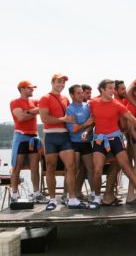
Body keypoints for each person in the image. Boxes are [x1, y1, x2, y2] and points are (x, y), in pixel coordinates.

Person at [89, 79, 136, 207]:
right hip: (99, 140)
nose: (113, 91)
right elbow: (90, 120)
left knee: (126, 167)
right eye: (110, 88)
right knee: (97, 170)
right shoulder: (92, 103)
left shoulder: (117, 104)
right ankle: (96, 197)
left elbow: (133, 120)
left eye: (114, 88)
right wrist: (85, 130)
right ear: (102, 89)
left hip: (116, 139)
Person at [39, 74, 88, 210]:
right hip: (51, 137)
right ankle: (52, 199)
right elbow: (44, 118)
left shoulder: (66, 99)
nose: (61, 84)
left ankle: (72, 198)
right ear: (52, 82)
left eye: (63, 83)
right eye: (59, 82)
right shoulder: (45, 98)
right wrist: (63, 119)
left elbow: (75, 113)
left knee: (71, 167)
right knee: (50, 168)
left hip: (65, 136)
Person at [9, 80, 48, 204]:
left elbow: (44, 109)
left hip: (33, 137)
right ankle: (14, 195)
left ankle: (36, 194)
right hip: (21, 137)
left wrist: (29, 111)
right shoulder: (15, 102)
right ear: (22, 88)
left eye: (33, 88)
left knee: (35, 167)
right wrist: (34, 111)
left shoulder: (35, 101)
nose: (32, 90)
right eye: (30, 88)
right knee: (17, 167)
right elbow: (20, 117)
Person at [66, 84, 95, 201]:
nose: (81, 95)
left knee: (91, 169)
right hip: (74, 143)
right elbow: (72, 128)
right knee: (74, 170)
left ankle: (94, 194)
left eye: (81, 92)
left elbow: (92, 123)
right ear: (72, 95)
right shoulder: (70, 109)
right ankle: (71, 195)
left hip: (87, 142)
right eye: (78, 93)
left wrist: (87, 131)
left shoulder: (87, 107)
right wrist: (85, 125)